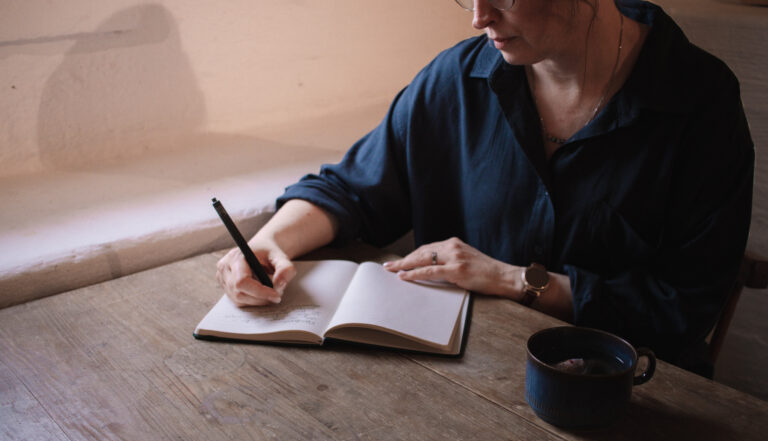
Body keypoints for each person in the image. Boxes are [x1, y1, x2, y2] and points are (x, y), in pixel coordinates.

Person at [216, 0, 753, 377]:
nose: (479, 17)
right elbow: (354, 187)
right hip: (469, 376)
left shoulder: (698, 99)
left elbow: (685, 306)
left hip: (632, 395)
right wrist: (272, 243)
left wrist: (515, 280)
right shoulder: (456, 78)